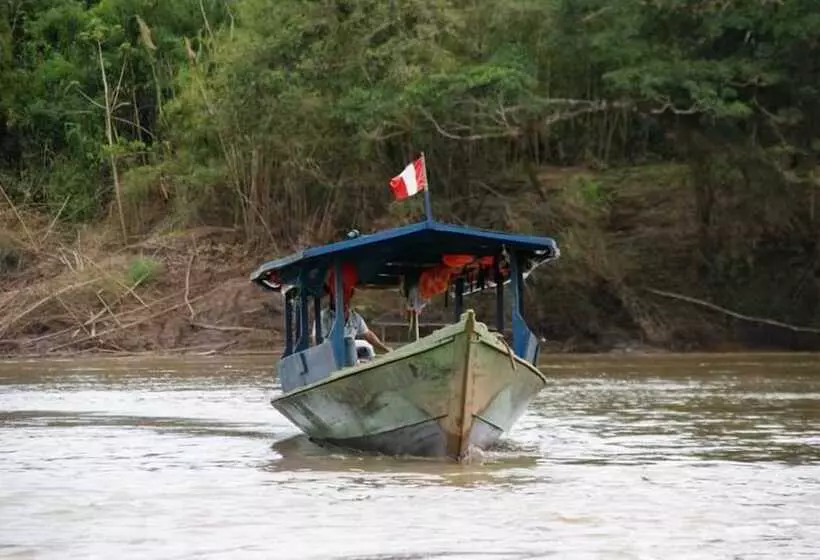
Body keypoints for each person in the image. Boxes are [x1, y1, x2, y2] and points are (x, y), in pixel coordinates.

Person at [313, 290, 392, 361]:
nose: (343, 300)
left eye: (346, 296)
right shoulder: (323, 317)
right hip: (330, 359)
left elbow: (368, 334)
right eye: (339, 297)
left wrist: (386, 349)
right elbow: (317, 340)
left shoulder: (355, 317)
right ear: (333, 298)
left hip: (350, 359)